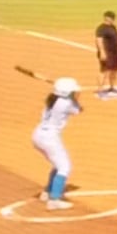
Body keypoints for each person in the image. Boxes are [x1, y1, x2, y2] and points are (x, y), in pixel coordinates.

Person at [32, 77, 82, 211]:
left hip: (38, 135)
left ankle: (47, 192)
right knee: (64, 167)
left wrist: (70, 92)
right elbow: (78, 110)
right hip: (49, 138)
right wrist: (76, 97)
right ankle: (54, 200)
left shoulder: (51, 99)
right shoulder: (66, 103)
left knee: (57, 164)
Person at [94, 11, 117, 98]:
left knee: (114, 70)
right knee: (104, 71)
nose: (113, 20)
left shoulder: (113, 27)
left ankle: (112, 87)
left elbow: (116, 39)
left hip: (115, 53)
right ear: (107, 18)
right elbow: (99, 40)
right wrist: (102, 52)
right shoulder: (101, 28)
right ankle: (100, 89)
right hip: (107, 53)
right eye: (112, 18)